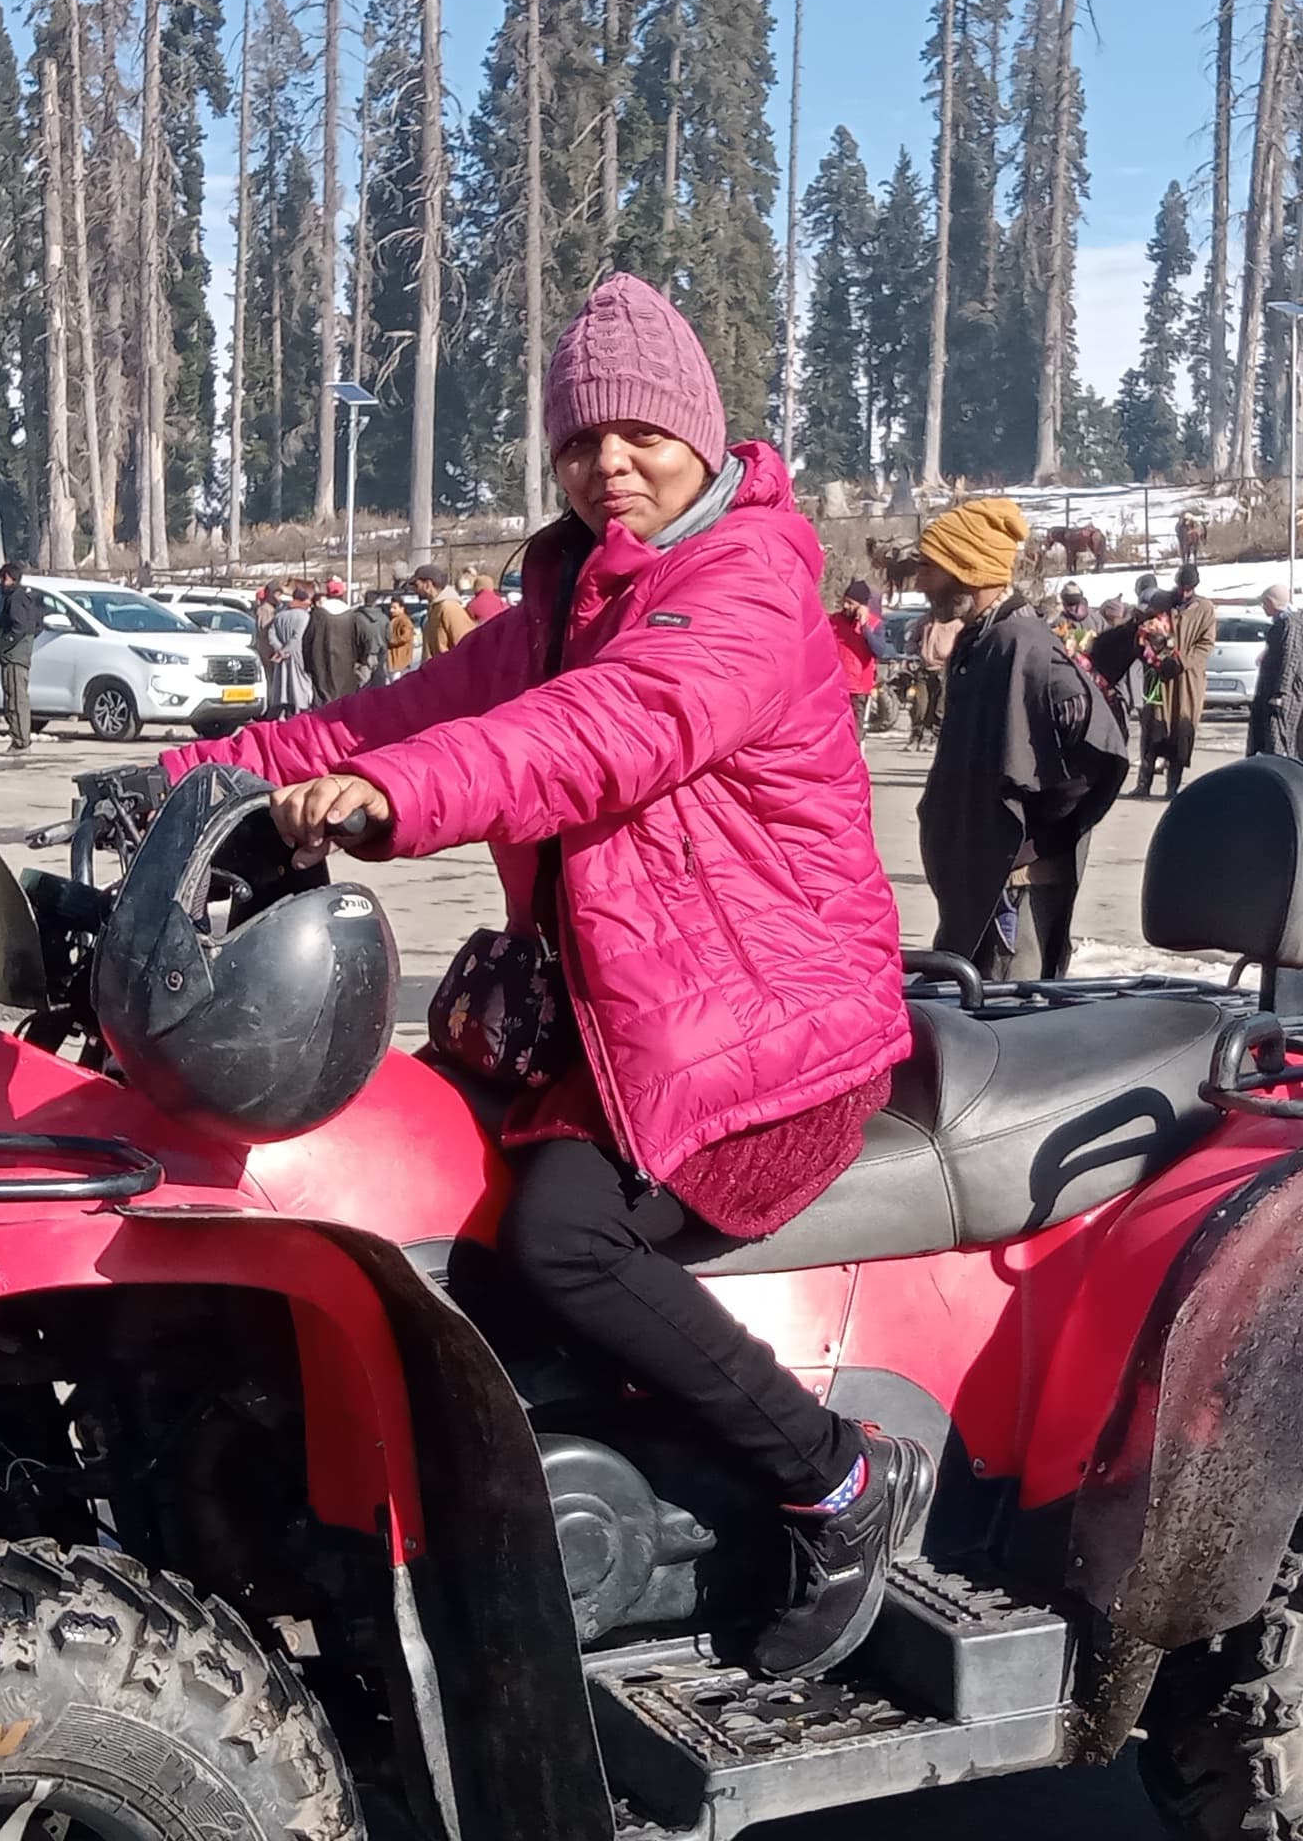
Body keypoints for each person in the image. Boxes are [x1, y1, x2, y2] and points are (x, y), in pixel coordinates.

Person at [161, 272, 924, 1679]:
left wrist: (393, 798)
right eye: (579, 441)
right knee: (408, 1183)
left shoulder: (745, 587)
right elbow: (383, 715)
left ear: (701, 435)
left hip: (770, 1029)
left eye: (639, 433)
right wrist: (194, 778)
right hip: (622, 1025)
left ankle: (834, 1480)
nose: (607, 464)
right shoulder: (566, 599)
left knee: (563, 1240)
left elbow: (601, 732)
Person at [914, 497, 1124, 981]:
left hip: (1012, 888)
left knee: (1007, 1011)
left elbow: (1095, 740)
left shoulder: (1021, 643)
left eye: (930, 567)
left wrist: (1031, 830)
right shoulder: (984, 641)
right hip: (979, 885)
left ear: (968, 569)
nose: (920, 582)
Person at [1138, 569, 1213, 797]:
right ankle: (1143, 784)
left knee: (1180, 733)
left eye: (1188, 589)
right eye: (1181, 588)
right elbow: (1144, 630)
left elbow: (1206, 644)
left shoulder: (1205, 609)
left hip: (1186, 680)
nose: (1184, 593)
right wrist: (1156, 655)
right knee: (1153, 729)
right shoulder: (1161, 602)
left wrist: (1182, 661)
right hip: (1160, 677)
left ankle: (1172, 787)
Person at [1246, 583, 1303, 760]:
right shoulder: (1281, 623)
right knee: (1267, 741)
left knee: (1278, 742)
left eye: (1265, 602)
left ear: (1273, 603)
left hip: (1284, 696)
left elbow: (1289, 660)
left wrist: (1280, 693)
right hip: (1273, 692)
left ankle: (1279, 773)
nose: (1263, 606)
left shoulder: (1289, 624)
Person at [0, 561, 47, 750]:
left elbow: (20, 626)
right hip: (19, 655)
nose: (1, 583)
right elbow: (36, 625)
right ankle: (20, 738)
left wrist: (5, 646)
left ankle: (20, 741)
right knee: (16, 697)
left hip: (14, 658)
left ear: (10, 578)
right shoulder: (25, 597)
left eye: (3, 578)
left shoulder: (15, 598)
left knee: (16, 700)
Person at [828, 582, 885, 726]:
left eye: (850, 603)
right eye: (845, 601)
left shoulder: (874, 624)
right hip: (836, 686)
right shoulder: (834, 621)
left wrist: (864, 627)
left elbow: (879, 651)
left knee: (855, 731)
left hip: (858, 690)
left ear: (862, 606)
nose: (845, 606)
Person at [910, 592, 963, 746]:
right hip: (924, 668)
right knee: (920, 705)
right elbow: (912, 641)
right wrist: (914, 653)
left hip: (943, 669)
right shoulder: (925, 621)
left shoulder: (956, 624)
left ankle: (936, 737)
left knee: (940, 707)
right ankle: (916, 736)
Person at [299, 576, 364, 705]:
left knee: (323, 704)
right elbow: (359, 643)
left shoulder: (318, 614)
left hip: (321, 666)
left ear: (327, 593)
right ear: (343, 594)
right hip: (346, 669)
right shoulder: (351, 616)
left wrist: (308, 665)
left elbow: (307, 641)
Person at [262, 586, 313, 716]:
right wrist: (286, 651)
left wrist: (279, 650)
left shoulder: (280, 616)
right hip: (298, 655)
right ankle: (299, 712)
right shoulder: (305, 617)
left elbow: (271, 634)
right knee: (300, 685)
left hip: (280, 657)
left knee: (283, 685)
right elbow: (298, 637)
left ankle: (283, 712)